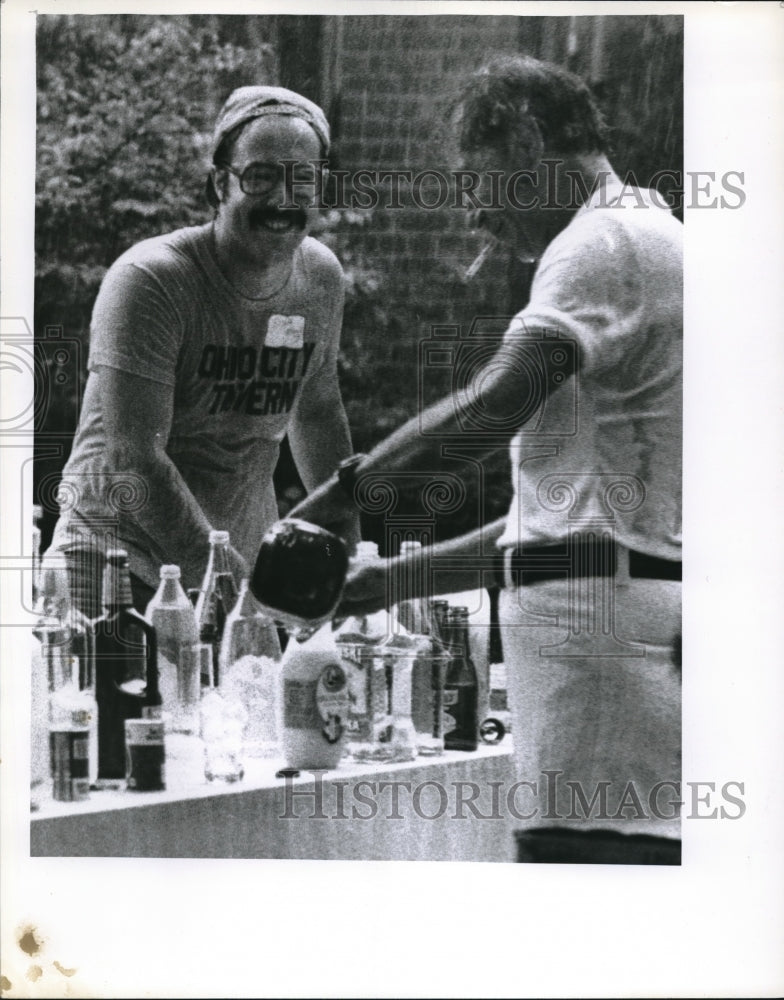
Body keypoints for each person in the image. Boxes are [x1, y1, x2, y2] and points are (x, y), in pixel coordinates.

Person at [288, 56, 683, 865]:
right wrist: (390, 581)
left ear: (530, 141)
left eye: (476, 178)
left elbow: (492, 406)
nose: (471, 210)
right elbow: (551, 524)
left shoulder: (599, 244)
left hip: (596, 664)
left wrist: (344, 492)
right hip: (619, 633)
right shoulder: (647, 233)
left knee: (585, 892)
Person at [48, 86, 360, 614]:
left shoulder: (320, 278)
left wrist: (348, 559)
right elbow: (134, 457)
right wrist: (235, 592)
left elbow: (318, 411)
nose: (283, 199)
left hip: (232, 573)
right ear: (220, 184)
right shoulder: (152, 280)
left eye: (302, 178)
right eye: (260, 177)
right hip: (110, 569)